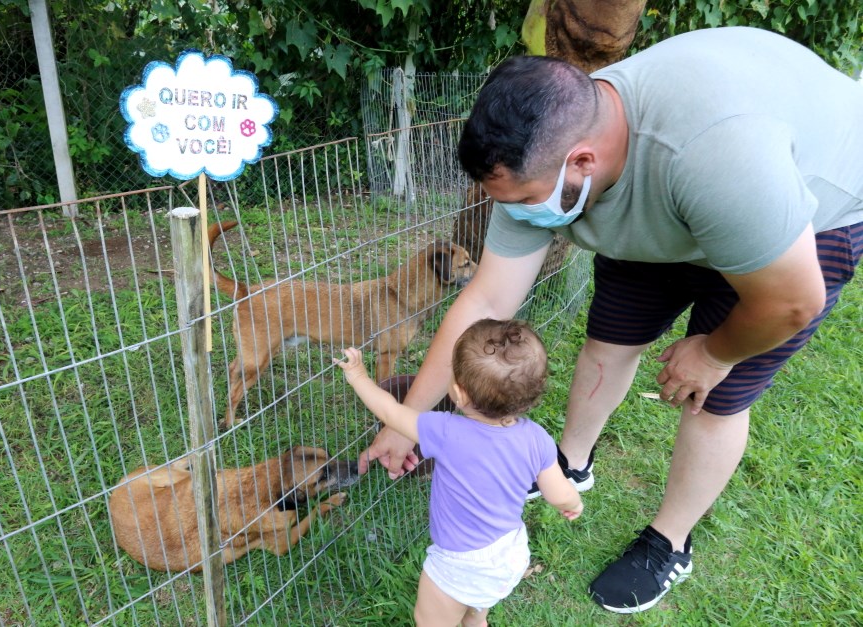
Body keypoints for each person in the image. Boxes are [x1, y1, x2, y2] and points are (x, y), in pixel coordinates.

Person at [359, 26, 863, 614]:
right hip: (661, 204)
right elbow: (484, 302)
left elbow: (791, 302)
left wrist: (714, 353)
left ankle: (669, 542)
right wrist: (406, 420)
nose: (515, 214)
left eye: (524, 201)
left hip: (800, 225)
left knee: (714, 395)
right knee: (611, 339)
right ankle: (569, 464)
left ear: (583, 161)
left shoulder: (715, 158)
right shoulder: (546, 164)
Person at [336, 318, 583, 627]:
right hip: (509, 550)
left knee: (429, 620)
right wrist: (572, 505)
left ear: (458, 393)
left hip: (461, 561)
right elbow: (559, 493)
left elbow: (390, 412)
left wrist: (358, 375)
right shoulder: (536, 438)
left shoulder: (445, 430)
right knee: (477, 604)